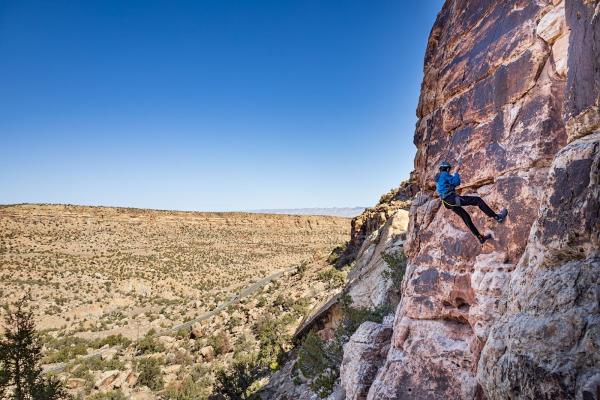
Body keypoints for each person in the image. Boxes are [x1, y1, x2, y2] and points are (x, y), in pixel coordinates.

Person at [435, 161, 508, 244]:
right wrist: (456, 172)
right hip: (451, 199)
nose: (449, 171)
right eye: (449, 169)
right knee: (477, 200)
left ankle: (480, 238)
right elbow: (456, 182)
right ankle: (497, 217)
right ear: (447, 169)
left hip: (447, 203)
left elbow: (446, 186)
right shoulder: (444, 174)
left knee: (466, 217)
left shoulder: (438, 177)